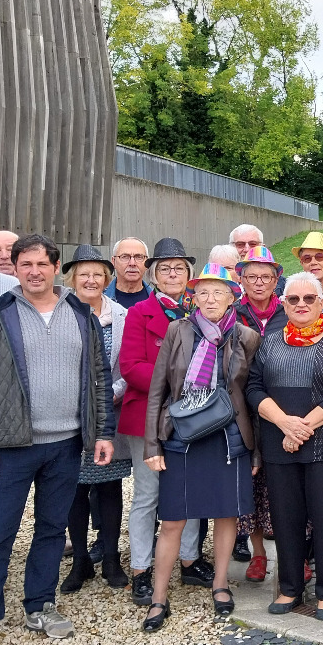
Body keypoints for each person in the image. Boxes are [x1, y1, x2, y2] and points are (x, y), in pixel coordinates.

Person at [0, 234, 115, 645]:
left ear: (56, 266)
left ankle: (40, 604)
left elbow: (99, 378)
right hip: (11, 447)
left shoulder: (81, 313)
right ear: (15, 267)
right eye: (24, 264)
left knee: (50, 528)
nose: (33, 272)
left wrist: (103, 432)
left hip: (65, 445)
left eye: (41, 264)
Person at [140, 264, 261, 631]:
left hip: (229, 438)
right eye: (203, 292)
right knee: (173, 518)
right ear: (193, 297)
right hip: (180, 436)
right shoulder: (178, 330)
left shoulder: (246, 336)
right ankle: (159, 597)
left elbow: (252, 397)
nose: (210, 299)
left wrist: (256, 451)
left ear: (231, 298)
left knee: (227, 514)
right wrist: (152, 445)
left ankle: (220, 583)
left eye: (218, 292)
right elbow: (158, 389)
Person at [247, 272, 323, 622]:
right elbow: (253, 388)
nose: (301, 305)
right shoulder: (270, 342)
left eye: (309, 299)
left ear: (321, 302)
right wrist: (284, 423)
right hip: (280, 446)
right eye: (294, 300)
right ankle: (289, 588)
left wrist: (302, 427)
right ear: (284, 304)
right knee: (285, 519)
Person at [119, 238, 211, 608]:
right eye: (165, 268)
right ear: (154, 275)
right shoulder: (140, 313)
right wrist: (177, 386)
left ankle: (189, 559)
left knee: (188, 492)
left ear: (189, 274)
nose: (172, 274)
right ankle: (141, 569)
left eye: (179, 268)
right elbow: (131, 366)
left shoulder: (201, 313)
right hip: (151, 414)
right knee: (148, 495)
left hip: (194, 415)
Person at [59, 246, 131, 594]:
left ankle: (113, 557)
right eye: (83, 274)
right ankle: (80, 562)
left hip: (109, 414)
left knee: (109, 487)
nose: (91, 280)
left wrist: (106, 396)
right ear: (72, 278)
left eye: (98, 274)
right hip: (67, 416)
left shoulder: (121, 315)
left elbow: (129, 365)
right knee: (74, 489)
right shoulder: (58, 312)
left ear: (107, 278)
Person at [232, 246, 287, 583]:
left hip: (285, 406)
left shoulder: (290, 309)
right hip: (243, 406)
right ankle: (259, 554)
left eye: (265, 276)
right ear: (241, 279)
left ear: (275, 279)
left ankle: (296, 551)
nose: (258, 282)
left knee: (287, 485)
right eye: (251, 276)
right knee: (251, 485)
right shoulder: (232, 312)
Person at [292, 231, 323, 310]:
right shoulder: (294, 292)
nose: (313, 262)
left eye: (319, 257)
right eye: (307, 259)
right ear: (302, 263)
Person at [106, 238, 152, 309]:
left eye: (139, 257)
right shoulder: (99, 300)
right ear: (113, 261)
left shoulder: (159, 302)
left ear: (147, 262)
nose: (132, 263)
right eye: (125, 257)